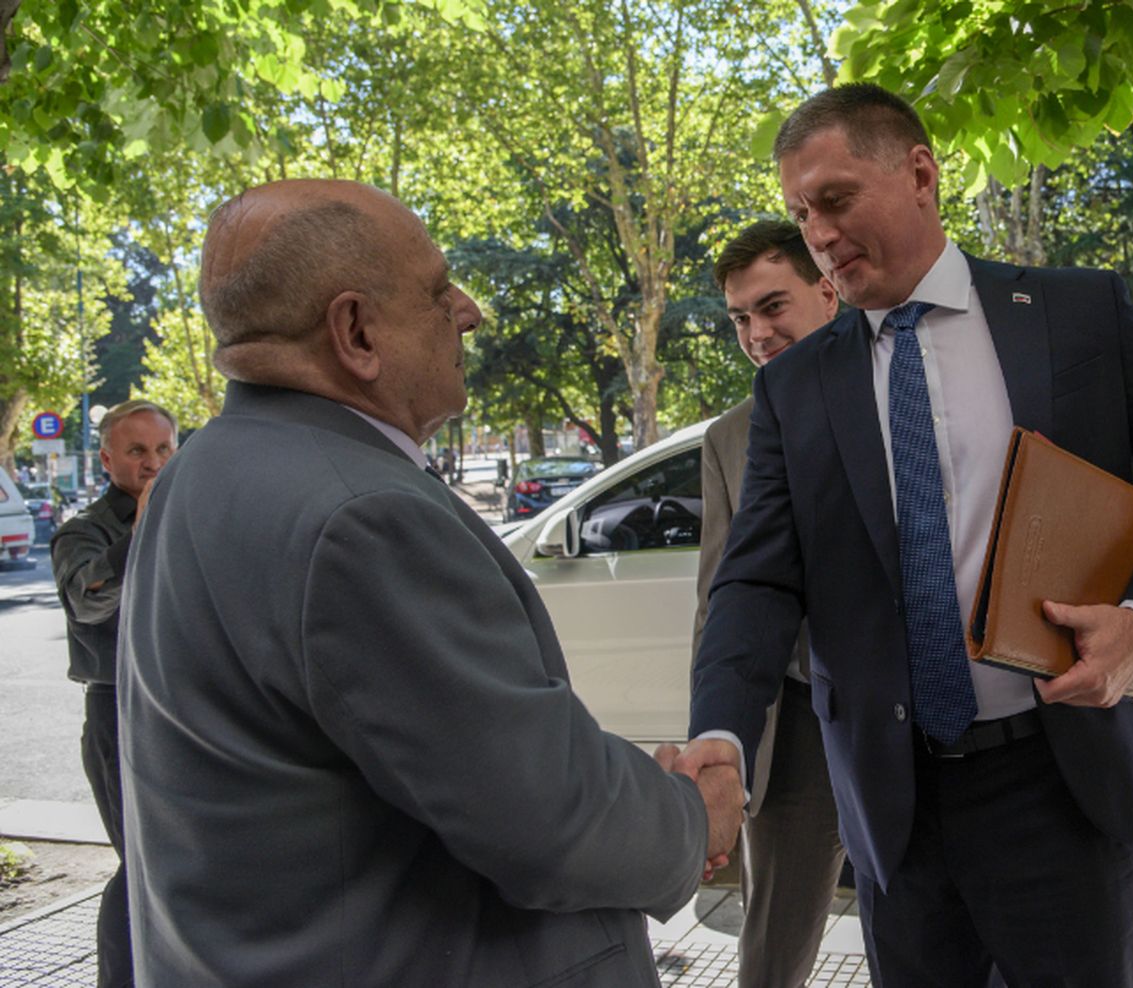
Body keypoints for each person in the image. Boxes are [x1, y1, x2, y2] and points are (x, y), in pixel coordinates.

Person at [681, 85, 1133, 986]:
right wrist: (719, 734)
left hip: (1068, 782)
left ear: (919, 174)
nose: (818, 235)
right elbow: (755, 584)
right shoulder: (795, 389)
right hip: (896, 807)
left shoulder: (1076, 316)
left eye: (833, 201)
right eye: (799, 212)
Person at [116, 178, 741, 986]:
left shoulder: (199, 469)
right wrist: (695, 817)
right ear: (356, 332)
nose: (468, 311)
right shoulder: (361, 515)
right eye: (438, 289)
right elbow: (544, 814)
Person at [694, 220, 844, 986]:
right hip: (795, 727)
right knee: (774, 943)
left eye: (772, 306)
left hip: (927, 720)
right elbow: (721, 596)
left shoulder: (905, 390)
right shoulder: (729, 438)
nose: (756, 332)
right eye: (741, 318)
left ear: (828, 289)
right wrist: (719, 741)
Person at [51, 398, 178, 988]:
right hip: (119, 711)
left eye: (162, 449)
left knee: (183, 863)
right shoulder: (82, 533)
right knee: (140, 870)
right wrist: (143, 527)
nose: (153, 463)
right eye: (137, 451)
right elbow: (89, 598)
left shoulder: (189, 518)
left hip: (184, 708)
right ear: (106, 460)